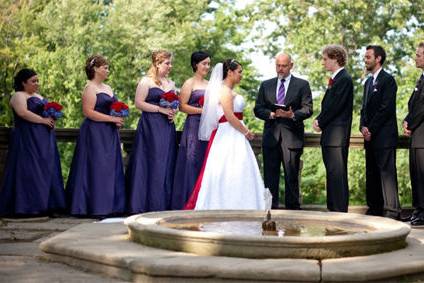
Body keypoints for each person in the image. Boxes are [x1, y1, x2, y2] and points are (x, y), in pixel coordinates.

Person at [185, 59, 269, 210]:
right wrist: (246, 132)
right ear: (229, 72)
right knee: (227, 168)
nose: (241, 75)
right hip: (228, 133)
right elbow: (229, 116)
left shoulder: (229, 91)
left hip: (236, 133)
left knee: (240, 167)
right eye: (239, 72)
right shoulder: (224, 91)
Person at [66, 55, 126, 217]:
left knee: (109, 167)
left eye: (107, 67)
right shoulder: (90, 88)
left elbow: (112, 108)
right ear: (95, 69)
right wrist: (112, 118)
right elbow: (88, 112)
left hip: (109, 132)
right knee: (96, 166)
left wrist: (118, 119)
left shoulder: (108, 88)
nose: (107, 70)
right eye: (104, 67)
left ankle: (110, 206)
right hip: (94, 132)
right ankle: (92, 206)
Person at [0, 68, 66, 216]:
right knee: (29, 170)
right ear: (23, 83)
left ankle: (48, 205)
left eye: (38, 80)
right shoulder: (18, 95)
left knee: (45, 170)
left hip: (44, 140)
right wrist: (43, 120)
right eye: (33, 81)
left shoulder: (38, 95)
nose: (37, 83)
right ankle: (27, 207)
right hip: (27, 138)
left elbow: (44, 111)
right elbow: (23, 112)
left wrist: (52, 116)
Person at [254, 53, 312, 209]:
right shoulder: (266, 85)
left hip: (292, 138)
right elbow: (258, 109)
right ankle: (270, 211)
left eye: (284, 66)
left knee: (292, 177)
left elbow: (308, 109)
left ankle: (293, 214)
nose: (280, 69)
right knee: (270, 178)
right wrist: (271, 114)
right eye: (278, 65)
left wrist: (292, 114)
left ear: (291, 65)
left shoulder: (302, 85)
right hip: (270, 137)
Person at [126, 50, 177, 213]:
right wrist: (160, 110)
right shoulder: (146, 81)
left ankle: (161, 204)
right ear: (157, 63)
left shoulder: (171, 83)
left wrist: (172, 111)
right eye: (167, 63)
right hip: (150, 126)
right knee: (151, 162)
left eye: (170, 63)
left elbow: (175, 103)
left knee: (165, 162)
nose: (170, 66)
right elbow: (139, 103)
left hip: (167, 127)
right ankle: (144, 204)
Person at [360, 45, 400, 219]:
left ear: (378, 59)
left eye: (368, 56)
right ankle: (374, 209)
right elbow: (363, 109)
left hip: (384, 137)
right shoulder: (368, 82)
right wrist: (362, 127)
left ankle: (392, 211)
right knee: (372, 174)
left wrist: (371, 128)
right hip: (369, 138)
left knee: (387, 175)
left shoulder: (388, 80)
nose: (365, 59)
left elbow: (386, 108)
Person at [313, 45, 353, 212]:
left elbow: (334, 106)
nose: (323, 62)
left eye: (325, 59)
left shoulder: (344, 79)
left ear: (335, 58)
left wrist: (319, 121)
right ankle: (333, 209)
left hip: (336, 136)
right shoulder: (337, 79)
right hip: (331, 136)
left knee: (337, 174)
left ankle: (339, 211)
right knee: (332, 173)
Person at [170, 51, 210, 209]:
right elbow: (182, 106)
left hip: (209, 127)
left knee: (206, 163)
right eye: (204, 63)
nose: (207, 66)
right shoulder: (189, 83)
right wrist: (203, 111)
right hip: (194, 126)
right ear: (195, 65)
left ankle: (204, 201)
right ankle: (188, 201)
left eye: (208, 63)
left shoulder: (210, 85)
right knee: (192, 161)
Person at [403, 42, 424, 225]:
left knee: (423, 175)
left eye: (418, 55)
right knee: (416, 175)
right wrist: (406, 119)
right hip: (417, 137)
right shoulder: (421, 79)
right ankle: (418, 210)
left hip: (422, 136)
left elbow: (422, 108)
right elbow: (414, 105)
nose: (415, 58)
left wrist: (410, 122)